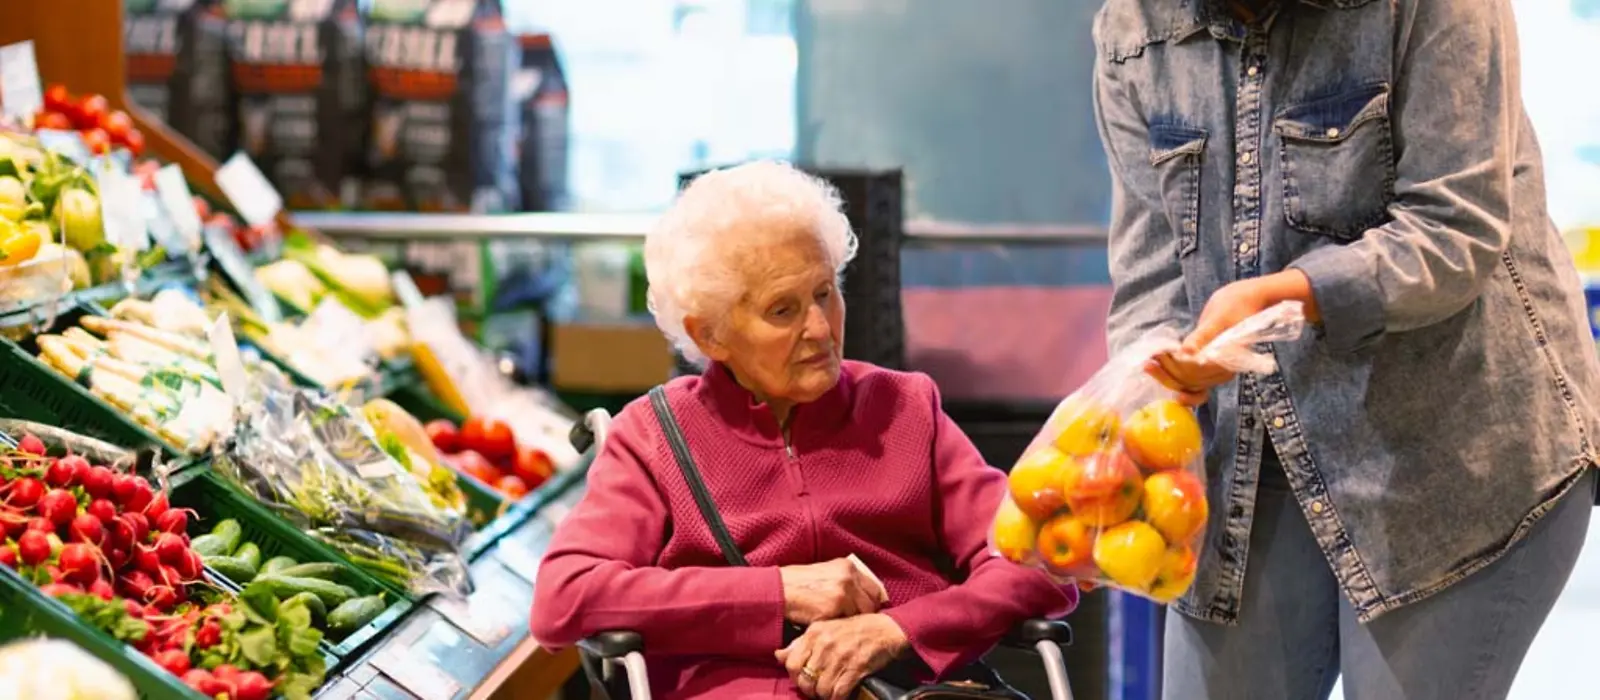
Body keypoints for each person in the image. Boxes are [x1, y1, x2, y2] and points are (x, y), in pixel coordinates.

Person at [1091, 0, 1600, 697]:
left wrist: (1293, 294)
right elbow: (1152, 272)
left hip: (1455, 457)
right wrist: (1151, 384)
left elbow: (1456, 228)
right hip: (1255, 458)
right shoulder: (1134, 27)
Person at [529, 160, 1077, 700]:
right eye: (782, 310)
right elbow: (566, 597)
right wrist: (777, 593)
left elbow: (1038, 562)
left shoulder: (907, 408)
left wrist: (901, 629)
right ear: (711, 334)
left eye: (824, 293)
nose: (820, 328)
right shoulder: (652, 437)